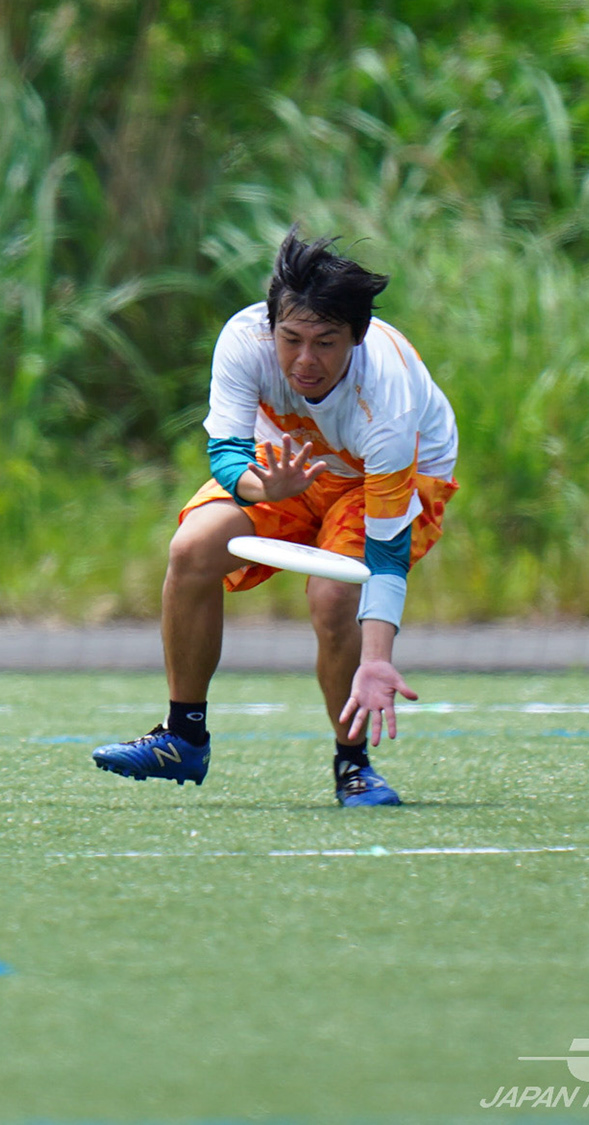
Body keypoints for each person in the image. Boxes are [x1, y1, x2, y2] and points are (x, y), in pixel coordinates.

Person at [92, 229, 459, 806]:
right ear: (271, 327)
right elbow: (227, 453)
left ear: (358, 337)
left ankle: (353, 765)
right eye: (291, 339)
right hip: (292, 462)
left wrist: (376, 659)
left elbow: (387, 553)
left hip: (385, 476)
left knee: (334, 596)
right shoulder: (244, 340)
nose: (305, 361)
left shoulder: (388, 401)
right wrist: (263, 486)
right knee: (192, 548)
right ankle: (183, 737)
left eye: (325, 343)